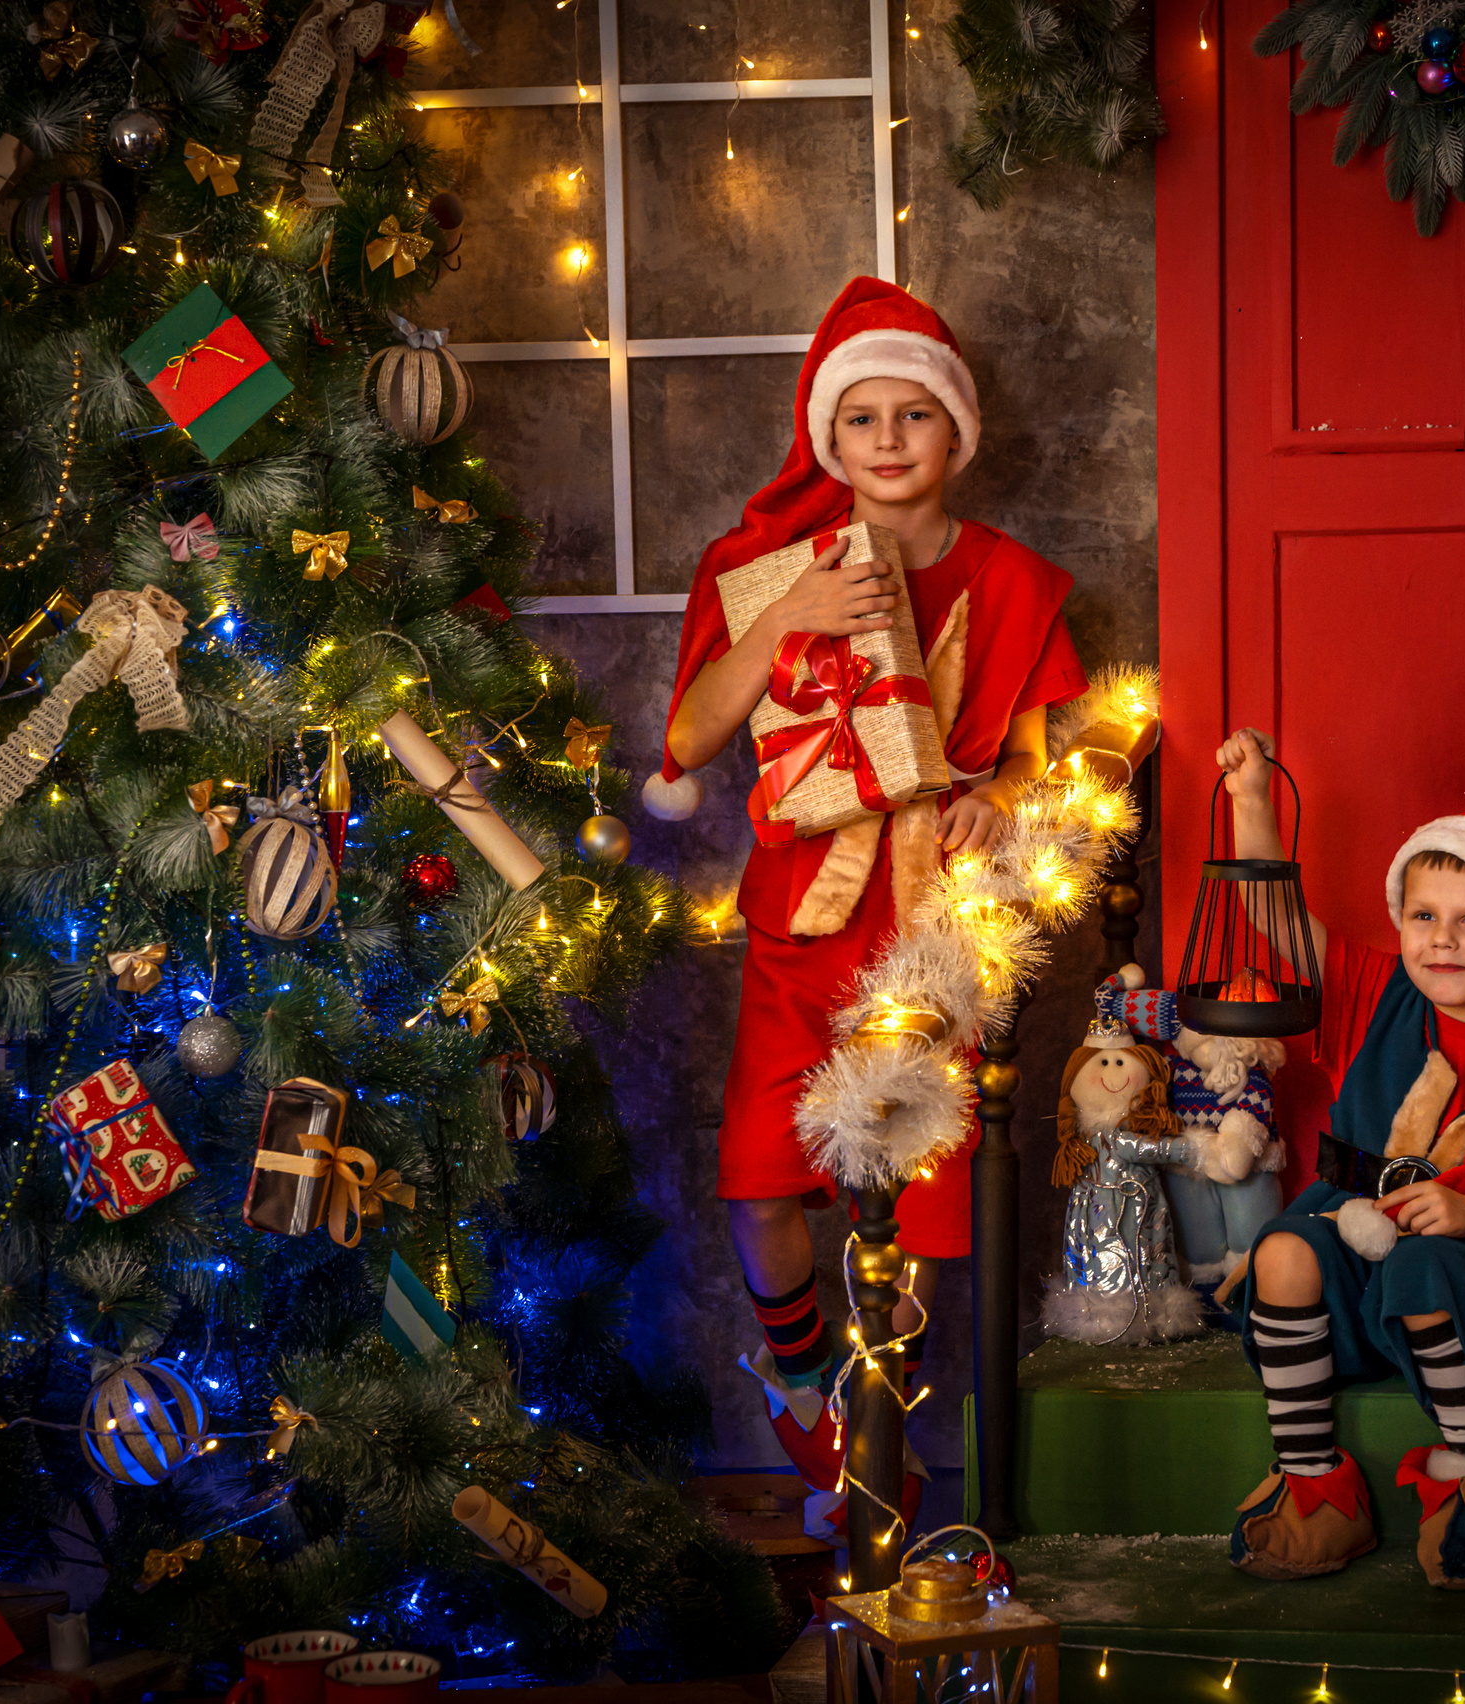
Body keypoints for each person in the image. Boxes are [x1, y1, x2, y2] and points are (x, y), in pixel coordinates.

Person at [650, 278, 1085, 1525]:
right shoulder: (759, 571)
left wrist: (998, 797)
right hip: (804, 919)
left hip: (936, 940)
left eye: (914, 417)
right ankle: (801, 1394)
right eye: (861, 421)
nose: (889, 442)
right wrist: (790, 614)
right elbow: (687, 738)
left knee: (915, 1198)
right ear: (827, 441)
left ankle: (871, 1432)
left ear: (956, 436)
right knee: (758, 1182)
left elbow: (1035, 760)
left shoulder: (1012, 583)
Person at [1210, 729, 1465, 1589]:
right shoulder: (1381, 998)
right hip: (1362, 1247)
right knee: (1286, 1249)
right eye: (1423, 915)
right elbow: (1278, 921)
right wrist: (1253, 801)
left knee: (1426, 1268)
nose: (1441, 939)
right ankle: (1315, 1481)